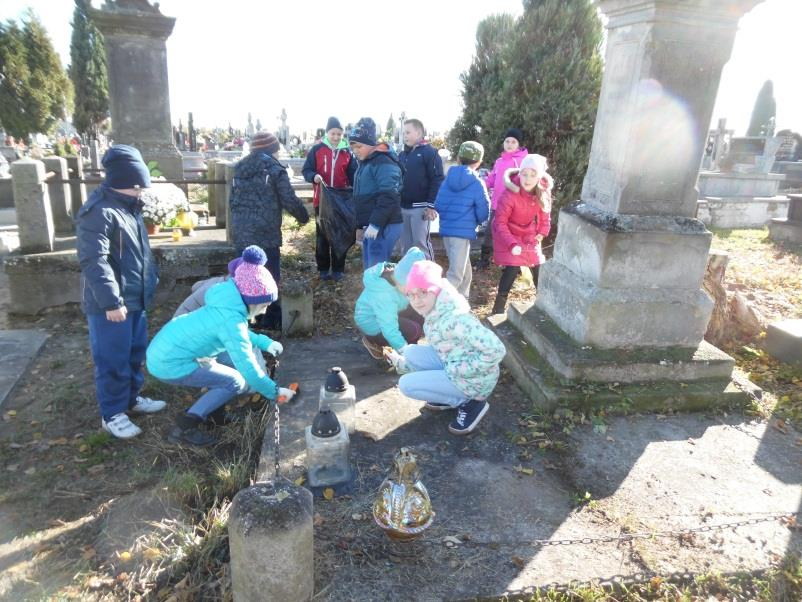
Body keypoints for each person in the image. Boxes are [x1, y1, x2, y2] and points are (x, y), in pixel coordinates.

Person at [146, 246, 296, 447]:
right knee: (235, 381)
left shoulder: (227, 303)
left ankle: (214, 413)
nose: (265, 310)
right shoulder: (231, 320)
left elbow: (239, 335)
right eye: (263, 305)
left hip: (167, 350)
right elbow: (248, 368)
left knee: (227, 369)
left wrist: (265, 342)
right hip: (171, 363)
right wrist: (275, 392)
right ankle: (185, 427)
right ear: (250, 300)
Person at [76, 145, 165, 439]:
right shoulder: (99, 211)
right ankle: (112, 413)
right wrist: (112, 301)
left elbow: (138, 253)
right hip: (110, 305)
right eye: (137, 185)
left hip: (135, 298)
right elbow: (94, 260)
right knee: (112, 358)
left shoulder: (129, 208)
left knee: (134, 352)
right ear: (122, 181)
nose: (141, 191)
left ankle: (131, 399)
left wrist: (148, 281)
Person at [385, 261, 505, 435]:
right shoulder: (436, 309)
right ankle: (447, 396)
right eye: (411, 294)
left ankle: (470, 403)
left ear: (436, 290)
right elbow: (443, 349)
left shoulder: (456, 319)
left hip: (475, 380)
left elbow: (496, 350)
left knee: (406, 385)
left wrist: (457, 369)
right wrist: (402, 363)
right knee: (410, 352)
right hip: (455, 362)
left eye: (423, 292)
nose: (417, 301)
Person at [229, 130, 310, 328]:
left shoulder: (239, 169)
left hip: (241, 231)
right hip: (266, 233)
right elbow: (288, 198)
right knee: (269, 276)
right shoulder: (274, 169)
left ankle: (248, 319)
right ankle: (271, 319)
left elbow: (232, 200)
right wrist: (303, 217)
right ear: (272, 150)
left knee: (246, 275)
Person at [491, 154, 553, 315]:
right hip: (509, 234)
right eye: (524, 174)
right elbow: (500, 222)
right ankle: (498, 307)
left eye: (533, 175)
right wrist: (511, 243)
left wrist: (541, 233)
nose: (528, 179)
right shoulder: (510, 194)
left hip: (529, 234)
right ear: (519, 173)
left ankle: (546, 303)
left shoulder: (542, 194)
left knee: (538, 265)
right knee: (512, 267)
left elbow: (545, 217)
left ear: (539, 177)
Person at [302, 116, 357, 281]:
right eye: (333, 133)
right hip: (322, 201)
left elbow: (353, 175)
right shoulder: (317, 150)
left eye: (339, 134)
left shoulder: (347, 152)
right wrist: (314, 176)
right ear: (327, 133)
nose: (336, 137)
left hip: (341, 203)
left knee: (340, 235)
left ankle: (338, 269)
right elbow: (307, 171)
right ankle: (324, 269)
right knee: (323, 236)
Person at [434, 141, 490, 299]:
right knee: (456, 274)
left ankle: (462, 299)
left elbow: (438, 204)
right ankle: (438, 303)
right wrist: (477, 222)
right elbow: (483, 209)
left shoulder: (447, 179)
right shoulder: (476, 182)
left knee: (463, 268)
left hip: (446, 230)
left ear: (458, 158)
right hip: (463, 233)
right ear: (478, 162)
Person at [349, 117, 403, 269]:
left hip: (385, 224)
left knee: (377, 268)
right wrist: (360, 226)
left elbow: (389, 195)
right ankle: (372, 292)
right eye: (352, 148)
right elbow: (360, 198)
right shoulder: (366, 163)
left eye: (358, 146)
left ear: (369, 143)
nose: (355, 151)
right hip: (372, 224)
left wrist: (376, 223)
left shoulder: (383, 161)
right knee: (370, 266)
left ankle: (380, 292)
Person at [354, 246, 426, 360]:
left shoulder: (399, 272)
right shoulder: (384, 295)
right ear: (403, 280)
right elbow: (389, 328)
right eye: (410, 287)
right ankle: (376, 342)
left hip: (389, 312)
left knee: (420, 313)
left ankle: (412, 347)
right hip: (373, 325)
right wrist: (405, 353)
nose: (412, 291)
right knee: (414, 330)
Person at [477, 128, 528, 269]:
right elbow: (492, 179)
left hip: (513, 208)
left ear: (519, 144)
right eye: (507, 141)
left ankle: (512, 265)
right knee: (489, 232)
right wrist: (481, 183)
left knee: (510, 234)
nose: (510, 144)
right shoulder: (499, 161)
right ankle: (484, 260)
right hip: (497, 205)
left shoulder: (522, 162)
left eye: (513, 142)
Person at [398, 118, 444, 260]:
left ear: (418, 133)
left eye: (408, 132)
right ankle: (409, 276)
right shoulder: (402, 155)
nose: (404, 136)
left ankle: (428, 276)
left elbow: (437, 179)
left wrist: (431, 205)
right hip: (403, 207)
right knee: (406, 245)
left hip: (421, 207)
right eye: (403, 133)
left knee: (420, 243)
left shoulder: (429, 152)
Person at [172, 256, 242, 318]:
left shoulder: (215, 280)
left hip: (176, 320)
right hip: (189, 325)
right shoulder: (224, 291)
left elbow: (195, 286)